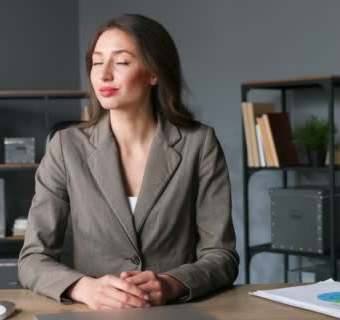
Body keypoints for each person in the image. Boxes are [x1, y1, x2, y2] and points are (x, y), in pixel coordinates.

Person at [18, 13, 238, 310]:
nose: (104, 75)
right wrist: (85, 289)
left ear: (154, 73)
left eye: (121, 62)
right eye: (97, 62)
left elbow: (221, 256)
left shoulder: (199, 144)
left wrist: (172, 284)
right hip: (94, 314)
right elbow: (32, 259)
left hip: (173, 313)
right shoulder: (66, 148)